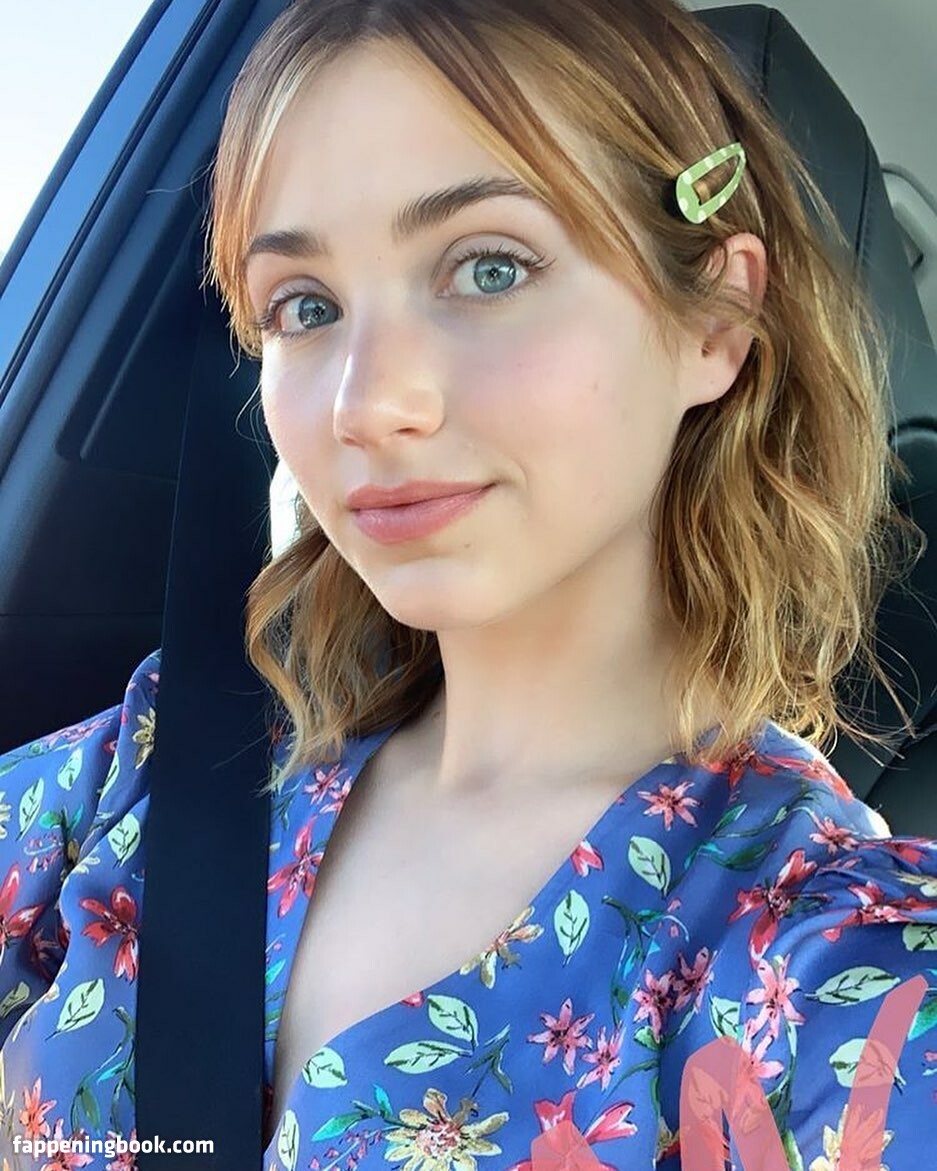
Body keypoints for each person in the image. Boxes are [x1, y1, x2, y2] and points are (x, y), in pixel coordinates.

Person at [2, 0, 937, 1168]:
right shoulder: (168, 753)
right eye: (305, 306)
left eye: (489, 268)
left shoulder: (819, 956)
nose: (365, 404)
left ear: (715, 317)